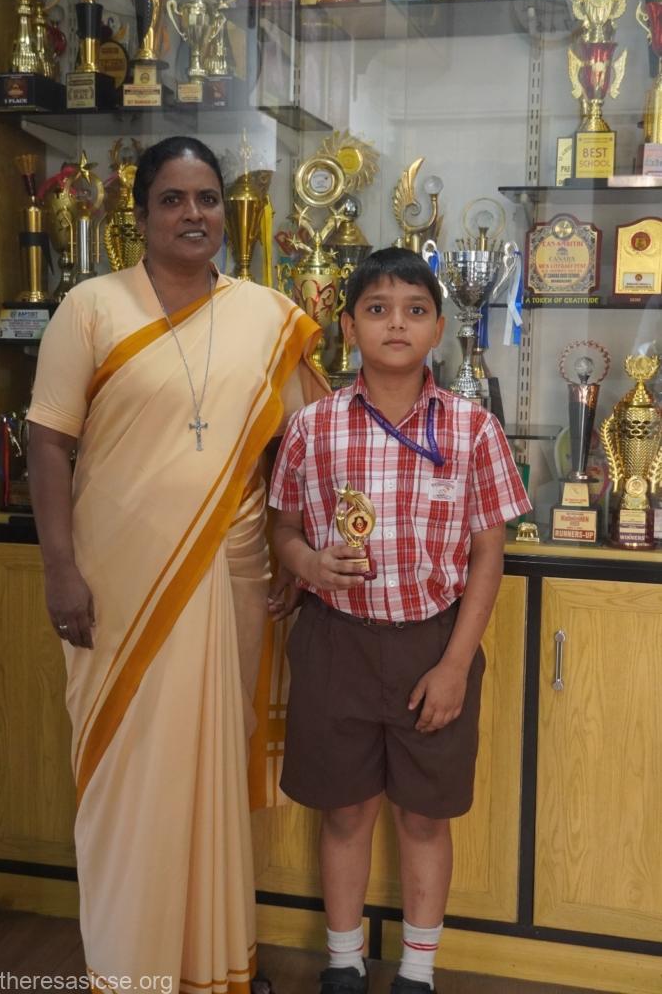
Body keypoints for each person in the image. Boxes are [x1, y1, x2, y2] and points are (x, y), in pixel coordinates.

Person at [26, 136, 327, 992]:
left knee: (210, 775)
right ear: (141, 214)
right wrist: (58, 570)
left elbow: (300, 444)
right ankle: (133, 970)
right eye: (173, 199)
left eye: (207, 199)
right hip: (113, 582)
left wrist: (295, 545)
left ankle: (214, 962)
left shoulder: (267, 315)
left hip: (232, 576)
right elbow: (47, 442)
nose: (193, 214)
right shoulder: (91, 306)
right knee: (126, 778)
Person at [269, 247, 531, 994]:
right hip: (336, 643)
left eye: (415, 311)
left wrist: (455, 665)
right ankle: (343, 961)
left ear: (438, 329)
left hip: (433, 645)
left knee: (423, 817)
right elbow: (284, 530)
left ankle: (417, 970)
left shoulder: (473, 428)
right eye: (377, 310)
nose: (396, 325)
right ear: (348, 327)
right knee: (346, 812)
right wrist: (309, 562)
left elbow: (488, 555)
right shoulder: (313, 426)